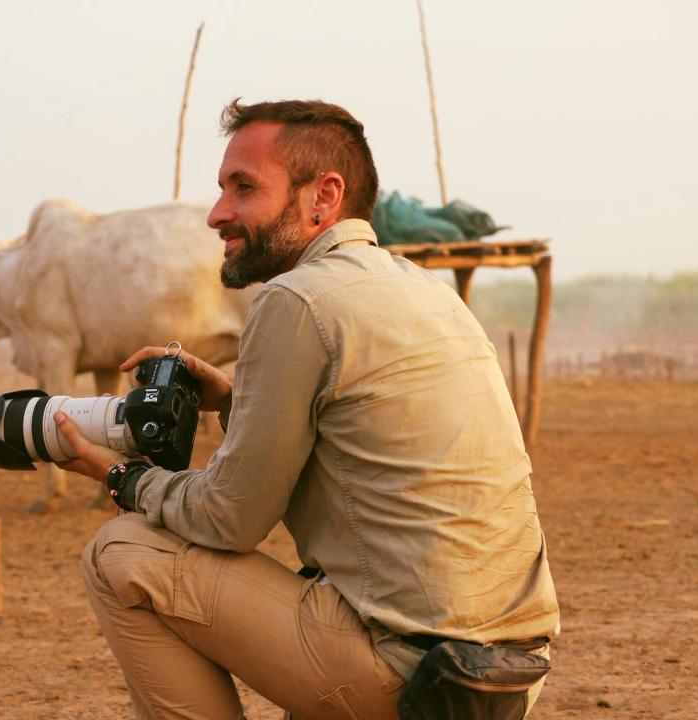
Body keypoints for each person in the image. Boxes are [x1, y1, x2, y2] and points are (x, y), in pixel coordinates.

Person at [54, 99, 559, 719]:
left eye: (244, 189)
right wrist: (234, 397)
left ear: (324, 196)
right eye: (221, 190)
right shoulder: (425, 288)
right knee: (324, 592)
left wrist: (121, 476)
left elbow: (230, 519)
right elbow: (361, 430)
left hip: (410, 672)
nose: (217, 214)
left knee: (122, 552)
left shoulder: (296, 298)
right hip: (502, 670)